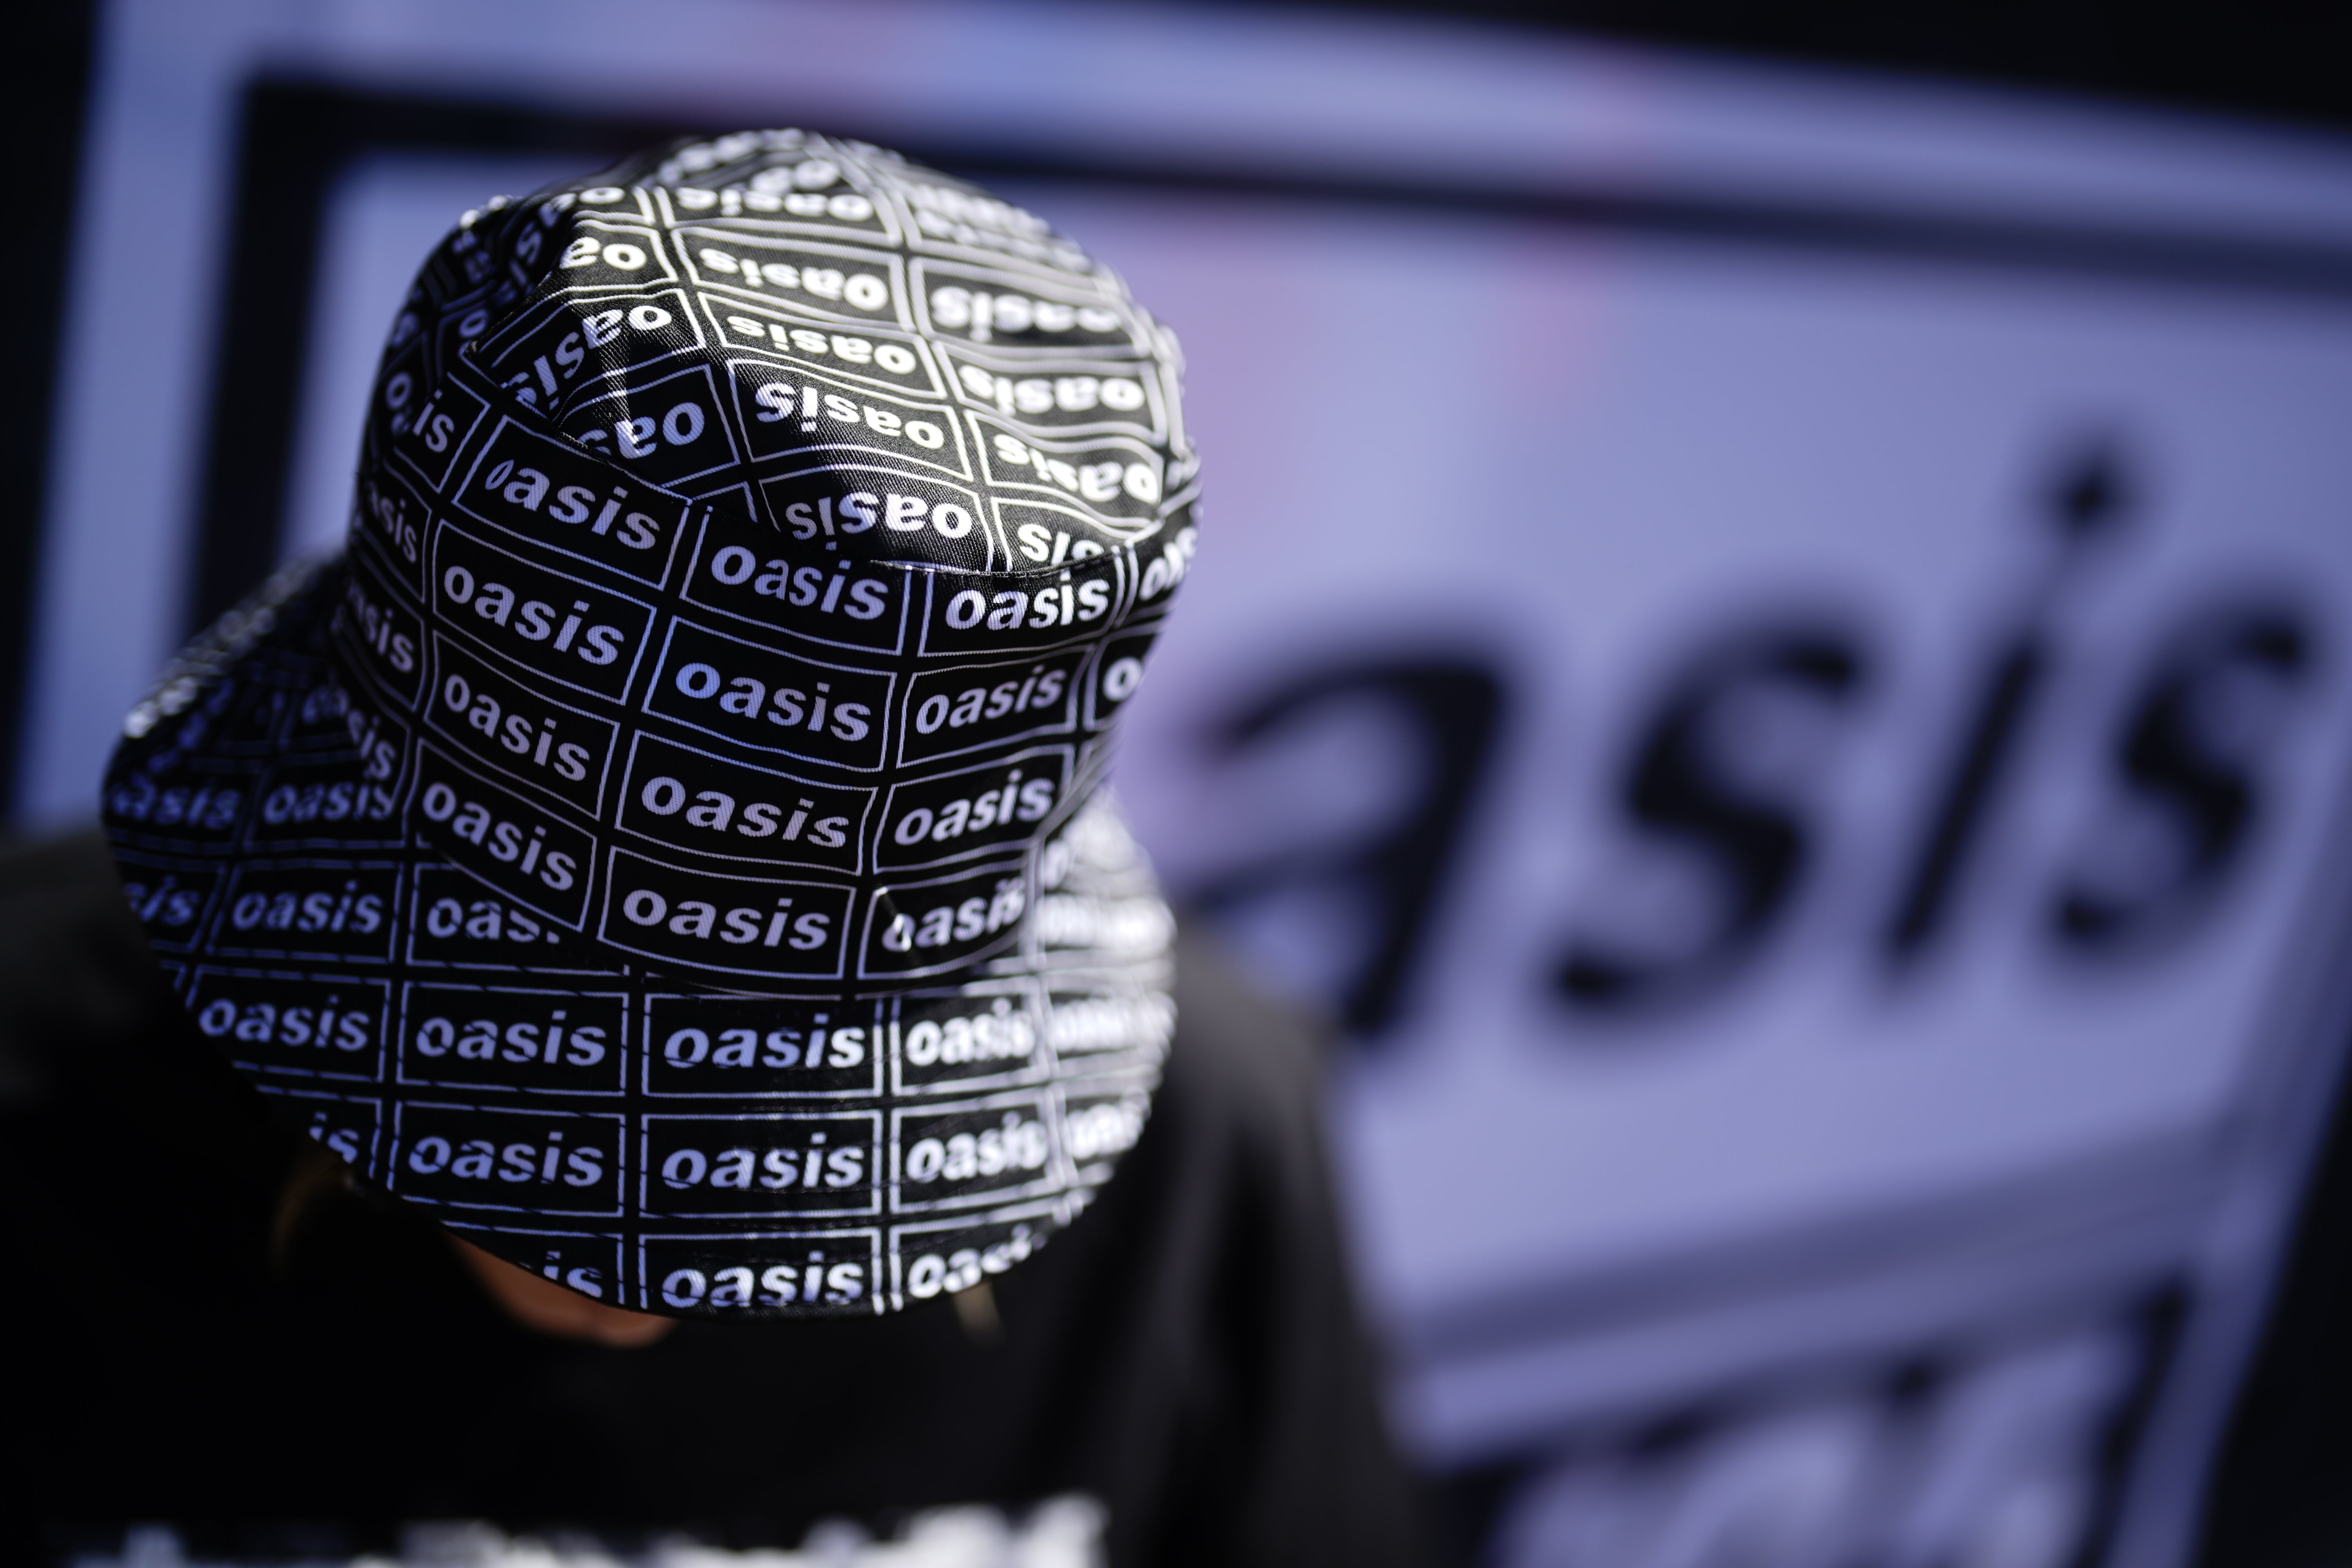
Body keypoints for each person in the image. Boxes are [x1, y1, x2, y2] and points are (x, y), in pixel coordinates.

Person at [0, 130, 1424, 1567]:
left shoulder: (1208, 1145)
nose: (631, 1282)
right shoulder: (27, 1069)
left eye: (779, 1128)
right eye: (510, 1070)